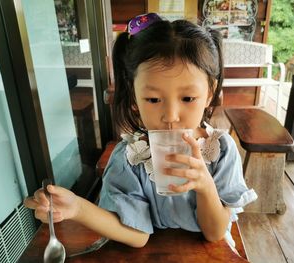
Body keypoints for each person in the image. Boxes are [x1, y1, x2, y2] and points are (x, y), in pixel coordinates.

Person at [24, 13, 257, 250]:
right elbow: (138, 235)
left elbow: (214, 233)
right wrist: (78, 208)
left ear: (209, 93)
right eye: (153, 99)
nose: (170, 115)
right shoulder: (130, 158)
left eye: (188, 98)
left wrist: (205, 186)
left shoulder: (221, 151)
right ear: (134, 97)